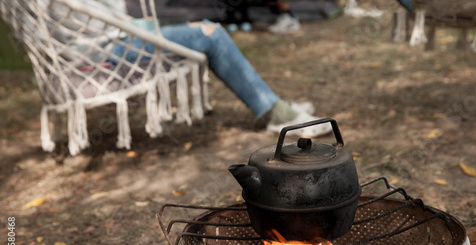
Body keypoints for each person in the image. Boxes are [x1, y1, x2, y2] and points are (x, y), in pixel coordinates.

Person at [40, 0, 332, 138]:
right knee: (210, 33)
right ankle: (275, 113)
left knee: (200, 30)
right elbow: (100, 22)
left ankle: (274, 106)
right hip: (105, 47)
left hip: (105, 41)